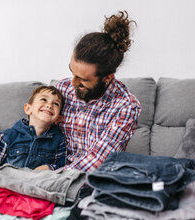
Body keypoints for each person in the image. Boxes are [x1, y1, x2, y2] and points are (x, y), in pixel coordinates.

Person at [56, 11, 141, 172]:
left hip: (89, 179)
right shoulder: (61, 89)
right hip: (48, 171)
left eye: (83, 80)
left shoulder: (126, 106)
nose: (72, 83)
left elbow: (98, 161)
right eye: (71, 72)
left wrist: (48, 178)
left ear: (107, 78)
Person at [0, 85, 66, 180]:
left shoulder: (59, 140)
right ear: (28, 109)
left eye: (56, 104)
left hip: (36, 186)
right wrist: (5, 179)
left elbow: (61, 168)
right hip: (7, 184)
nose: (49, 105)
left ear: (58, 118)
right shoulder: (6, 137)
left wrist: (49, 168)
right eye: (44, 99)